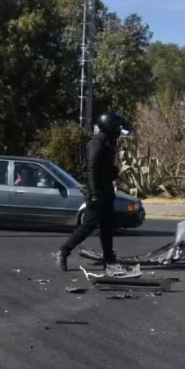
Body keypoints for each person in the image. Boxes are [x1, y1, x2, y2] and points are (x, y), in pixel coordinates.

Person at [54, 111, 133, 272]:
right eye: (116, 126)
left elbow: (128, 129)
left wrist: (112, 172)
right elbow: (91, 169)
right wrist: (95, 193)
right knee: (88, 225)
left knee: (107, 226)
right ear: (109, 127)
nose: (118, 130)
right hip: (96, 191)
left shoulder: (108, 142)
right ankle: (63, 251)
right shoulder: (96, 143)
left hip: (106, 190)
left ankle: (109, 260)